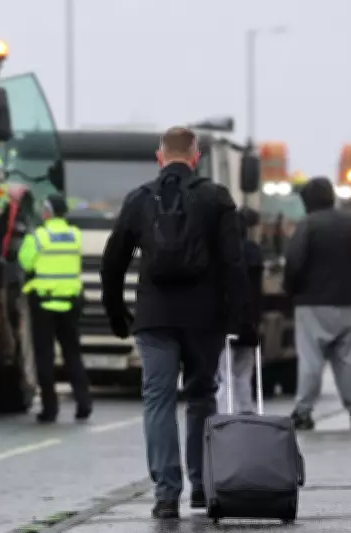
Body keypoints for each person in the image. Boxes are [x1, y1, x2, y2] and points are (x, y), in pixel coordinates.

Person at [100, 126, 256, 520]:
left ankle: (166, 494)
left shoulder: (139, 199)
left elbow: (113, 262)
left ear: (160, 157)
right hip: (204, 317)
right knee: (202, 395)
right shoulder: (216, 198)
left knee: (158, 399)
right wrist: (243, 319)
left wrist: (117, 313)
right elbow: (234, 263)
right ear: (195, 156)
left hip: (154, 317)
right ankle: (202, 485)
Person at [284, 176, 351, 431]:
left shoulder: (308, 225)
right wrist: (349, 282)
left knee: (311, 357)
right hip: (345, 301)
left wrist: (291, 289)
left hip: (312, 303)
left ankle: (303, 411)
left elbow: (294, 262)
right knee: (346, 357)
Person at [18, 193, 92, 424]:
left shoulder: (38, 237)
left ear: (47, 212)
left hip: (44, 303)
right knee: (73, 354)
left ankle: (50, 409)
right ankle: (84, 404)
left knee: (45, 356)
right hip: (70, 302)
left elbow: (25, 262)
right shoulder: (75, 235)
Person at [216, 207, 264, 414]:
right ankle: (246, 410)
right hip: (250, 320)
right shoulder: (254, 252)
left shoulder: (220, 252)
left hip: (226, 320)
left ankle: (225, 413)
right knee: (244, 371)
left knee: (225, 374)